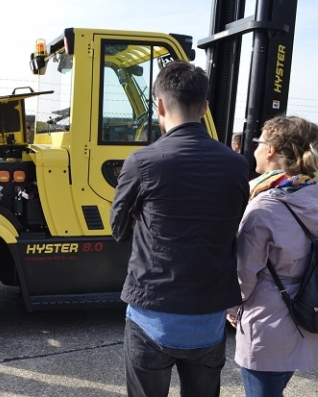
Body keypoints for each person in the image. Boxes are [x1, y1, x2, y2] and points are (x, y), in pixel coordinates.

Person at [110, 61, 249, 397]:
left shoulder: (142, 161)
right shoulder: (237, 164)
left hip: (151, 314)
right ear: (204, 108)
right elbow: (236, 222)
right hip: (209, 318)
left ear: (159, 104)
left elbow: (117, 227)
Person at [227, 116, 318, 396]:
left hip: (267, 323)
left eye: (258, 143)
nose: (253, 148)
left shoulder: (264, 206)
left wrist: (231, 308)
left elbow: (244, 274)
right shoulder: (312, 193)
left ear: (270, 150)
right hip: (307, 312)